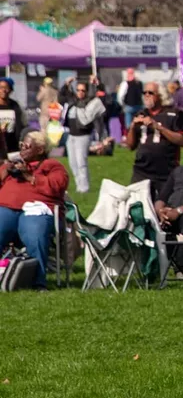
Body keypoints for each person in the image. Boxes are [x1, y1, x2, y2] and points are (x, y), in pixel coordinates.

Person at [0, 131, 69, 288]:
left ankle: (38, 282)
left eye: (27, 146)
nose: (22, 149)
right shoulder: (13, 166)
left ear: (40, 150)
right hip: (6, 208)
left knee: (34, 232)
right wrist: (5, 171)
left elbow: (57, 187)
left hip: (37, 209)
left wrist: (30, 177)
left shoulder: (52, 166)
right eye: (21, 145)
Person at [126, 82, 183, 200]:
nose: (146, 95)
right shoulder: (141, 113)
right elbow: (130, 146)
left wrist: (158, 127)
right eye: (144, 92)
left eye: (150, 93)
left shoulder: (175, 114)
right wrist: (132, 126)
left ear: (160, 95)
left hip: (166, 171)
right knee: (137, 207)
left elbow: (182, 141)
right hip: (142, 170)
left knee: (164, 207)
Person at [62, 79, 107, 194]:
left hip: (83, 136)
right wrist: (67, 84)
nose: (80, 92)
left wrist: (97, 82)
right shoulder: (73, 101)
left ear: (87, 92)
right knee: (73, 163)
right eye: (78, 90)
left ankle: (84, 187)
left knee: (81, 162)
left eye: (83, 90)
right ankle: (79, 186)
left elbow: (101, 94)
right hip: (71, 135)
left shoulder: (89, 103)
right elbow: (62, 95)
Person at [0, 77, 24, 155]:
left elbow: (21, 123)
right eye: (1, 87)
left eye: (6, 88)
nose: (4, 90)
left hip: (12, 143)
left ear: (11, 90)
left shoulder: (15, 105)